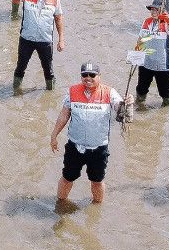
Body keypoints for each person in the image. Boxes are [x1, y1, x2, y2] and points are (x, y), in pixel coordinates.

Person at [50, 62, 131, 204]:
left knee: (97, 181)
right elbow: (64, 115)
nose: (88, 78)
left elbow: (121, 112)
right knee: (67, 178)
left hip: (99, 148)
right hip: (75, 146)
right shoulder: (72, 91)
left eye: (92, 75)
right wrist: (54, 135)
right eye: (84, 75)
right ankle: (60, 204)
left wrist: (127, 103)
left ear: (99, 76)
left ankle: (97, 208)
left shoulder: (109, 92)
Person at [6, 0, 64, 91]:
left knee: (48, 70)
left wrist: (61, 39)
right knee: (20, 67)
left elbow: (58, 18)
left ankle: (50, 93)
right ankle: (15, 92)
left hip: (45, 41)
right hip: (26, 39)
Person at [135, 1, 169, 107]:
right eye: (152, 9)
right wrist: (136, 55)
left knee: (165, 92)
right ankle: (139, 105)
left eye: (156, 9)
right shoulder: (146, 21)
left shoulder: (166, 23)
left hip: (163, 65)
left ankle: (166, 108)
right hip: (146, 63)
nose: (153, 12)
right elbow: (141, 40)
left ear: (162, 11)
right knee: (141, 89)